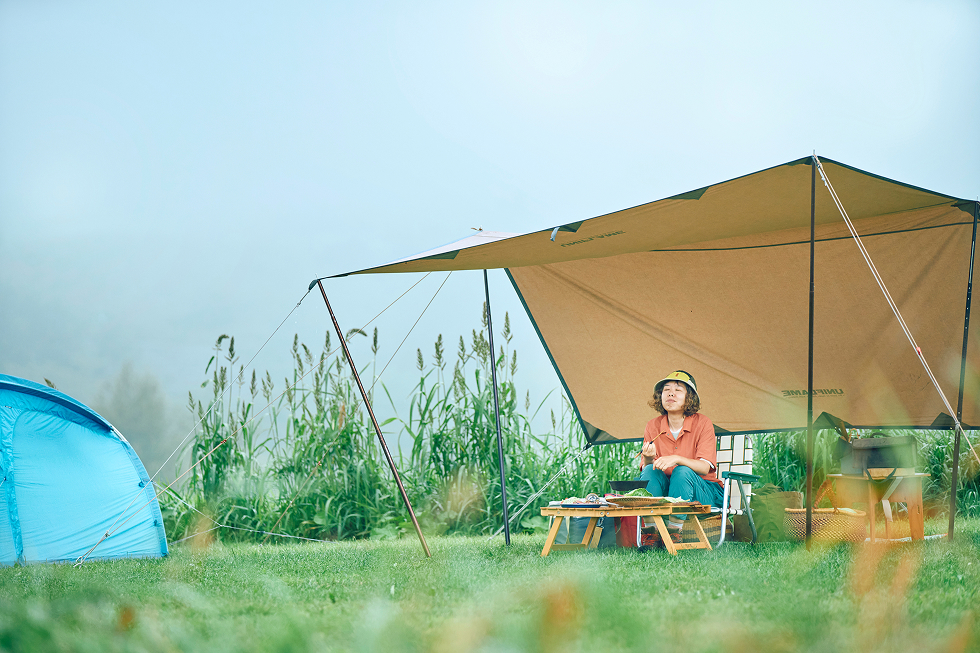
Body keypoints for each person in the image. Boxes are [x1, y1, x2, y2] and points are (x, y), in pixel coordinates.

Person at [637, 370, 723, 531]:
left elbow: (705, 468)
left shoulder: (703, 423)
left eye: (678, 390)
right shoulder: (652, 425)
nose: (671, 394)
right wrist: (648, 458)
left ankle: (674, 532)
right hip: (667, 489)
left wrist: (676, 458)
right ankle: (651, 533)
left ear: (689, 397)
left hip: (703, 491)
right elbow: (648, 468)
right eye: (666, 390)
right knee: (649, 471)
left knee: (682, 471)